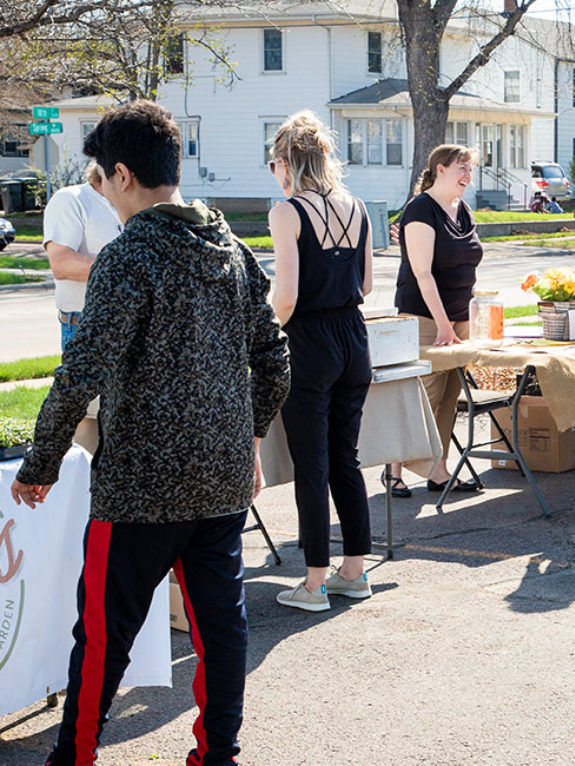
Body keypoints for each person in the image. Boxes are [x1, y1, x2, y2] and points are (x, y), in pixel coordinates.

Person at [9, 100, 290, 766]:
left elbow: (81, 371)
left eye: (100, 181)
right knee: (222, 629)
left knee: (106, 634)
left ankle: (73, 757)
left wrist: (39, 464)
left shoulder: (129, 256)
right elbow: (274, 357)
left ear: (122, 175)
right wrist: (246, 439)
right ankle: (218, 754)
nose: (100, 194)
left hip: (139, 486)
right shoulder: (228, 244)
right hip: (219, 479)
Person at [267, 110, 375, 610]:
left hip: (308, 341)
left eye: (274, 164)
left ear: (286, 163)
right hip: (354, 337)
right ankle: (354, 570)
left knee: (312, 463)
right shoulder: (358, 206)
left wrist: (260, 333)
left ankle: (314, 582)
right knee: (344, 458)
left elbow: (284, 298)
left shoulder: (287, 211)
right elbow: (368, 284)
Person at [386, 144, 484, 496]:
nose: (467, 176)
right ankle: (394, 470)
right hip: (425, 317)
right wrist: (443, 325)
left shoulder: (463, 209)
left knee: (449, 398)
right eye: (462, 168)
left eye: (470, 169)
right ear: (440, 169)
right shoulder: (420, 210)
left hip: (459, 316)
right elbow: (422, 273)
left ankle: (437, 470)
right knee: (421, 397)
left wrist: (466, 318)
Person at [43, 162, 122, 349]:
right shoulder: (71, 199)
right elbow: (62, 264)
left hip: (130, 324)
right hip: (85, 325)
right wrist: (128, 267)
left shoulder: (132, 203)